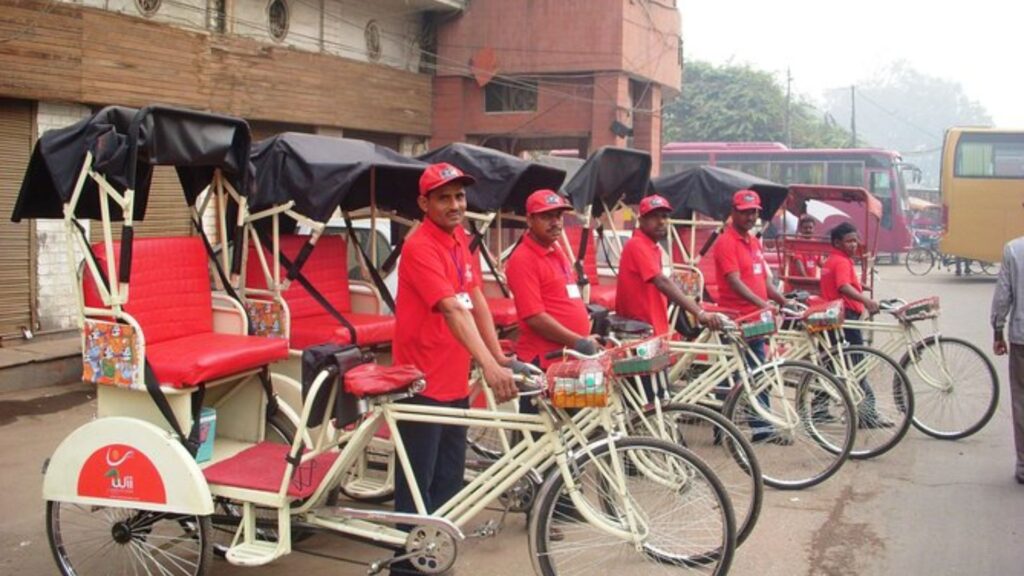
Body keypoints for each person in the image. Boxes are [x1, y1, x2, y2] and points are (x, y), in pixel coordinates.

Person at [391, 162, 516, 572]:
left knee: (448, 483)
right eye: (444, 197)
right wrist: (490, 367)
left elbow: (475, 297)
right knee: (416, 491)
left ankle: (432, 562)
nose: (455, 204)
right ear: (424, 203)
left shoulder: (460, 239)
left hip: (454, 379)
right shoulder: (421, 246)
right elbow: (450, 308)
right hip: (421, 382)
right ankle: (407, 566)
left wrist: (496, 355)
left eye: (459, 196)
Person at [713, 189, 792, 443]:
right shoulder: (726, 242)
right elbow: (734, 281)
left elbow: (764, 280)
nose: (750, 217)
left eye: (754, 212)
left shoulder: (753, 241)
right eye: (746, 212)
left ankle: (755, 427)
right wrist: (762, 303)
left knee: (757, 373)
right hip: (737, 319)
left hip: (757, 320)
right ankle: (727, 426)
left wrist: (783, 301)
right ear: (734, 212)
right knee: (738, 376)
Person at [505, 189, 596, 396]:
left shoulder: (556, 249)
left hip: (570, 356)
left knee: (581, 421)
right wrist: (579, 341)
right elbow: (534, 317)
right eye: (546, 216)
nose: (555, 222)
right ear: (529, 220)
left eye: (558, 216)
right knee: (543, 425)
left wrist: (584, 337)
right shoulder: (523, 259)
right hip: (545, 361)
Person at [617, 194, 723, 337]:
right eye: (654, 216)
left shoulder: (653, 247)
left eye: (664, 216)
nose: (661, 221)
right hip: (639, 332)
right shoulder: (637, 244)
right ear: (641, 220)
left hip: (652, 328)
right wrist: (700, 313)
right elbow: (662, 281)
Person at [819, 221, 893, 429]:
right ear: (837, 242)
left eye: (855, 240)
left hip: (835, 315)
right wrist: (866, 300)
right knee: (858, 365)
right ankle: (867, 414)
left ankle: (819, 408)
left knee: (832, 364)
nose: (853, 245)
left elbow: (841, 283)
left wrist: (860, 286)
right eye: (849, 241)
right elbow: (842, 286)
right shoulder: (842, 262)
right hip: (846, 316)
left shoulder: (833, 260)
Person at [991, 231, 1024, 485]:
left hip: (1022, 338)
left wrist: (998, 330)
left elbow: (1004, 294)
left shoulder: (1014, 249)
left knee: (1021, 400)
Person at [789, 213, 822, 279]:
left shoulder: (816, 244)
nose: (808, 230)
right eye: (805, 228)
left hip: (811, 282)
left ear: (814, 229)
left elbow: (820, 263)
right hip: (798, 284)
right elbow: (799, 266)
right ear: (801, 229)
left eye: (810, 228)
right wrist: (808, 282)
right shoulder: (797, 244)